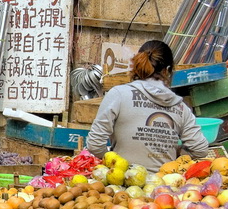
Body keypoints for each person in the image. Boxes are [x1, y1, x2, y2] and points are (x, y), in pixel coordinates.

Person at [86, 40, 210, 172]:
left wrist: (114, 163)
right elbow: (200, 149)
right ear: (167, 70)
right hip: (165, 187)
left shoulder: (118, 95)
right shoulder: (181, 107)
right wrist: (178, 157)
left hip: (121, 184)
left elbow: (95, 144)